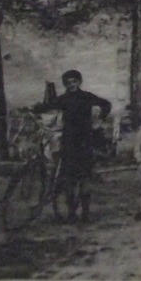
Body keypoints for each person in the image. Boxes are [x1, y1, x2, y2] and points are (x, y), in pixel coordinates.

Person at [46, 69, 111, 223]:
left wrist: (100, 118)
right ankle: (71, 213)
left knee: (84, 178)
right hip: (68, 142)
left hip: (84, 141)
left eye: (74, 81)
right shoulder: (63, 99)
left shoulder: (87, 97)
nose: (71, 85)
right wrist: (32, 108)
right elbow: (47, 105)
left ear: (79, 82)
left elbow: (106, 104)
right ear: (64, 84)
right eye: (68, 83)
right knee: (69, 179)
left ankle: (86, 212)